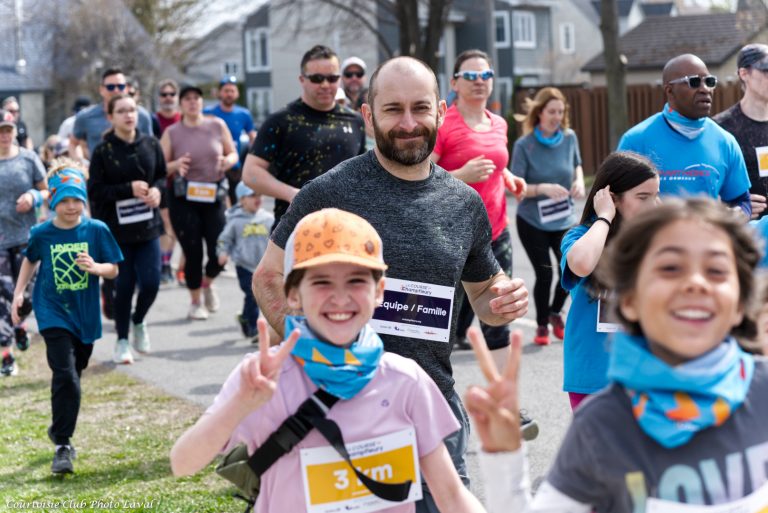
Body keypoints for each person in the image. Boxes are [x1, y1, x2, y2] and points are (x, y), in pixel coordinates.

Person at [253, 56, 530, 513]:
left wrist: (503, 297)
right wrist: (313, 354)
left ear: (441, 111)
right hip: (340, 413)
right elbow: (267, 278)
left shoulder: (464, 204)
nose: (408, 123)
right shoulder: (328, 194)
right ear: (367, 115)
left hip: (431, 408)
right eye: (393, 110)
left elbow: (483, 295)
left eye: (420, 109)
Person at [171, 208, 489, 513]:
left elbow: (450, 494)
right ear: (293, 295)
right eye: (321, 282)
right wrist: (240, 403)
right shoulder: (263, 379)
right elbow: (183, 463)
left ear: (379, 291)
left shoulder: (406, 381)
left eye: (356, 281)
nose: (339, 297)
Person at [464, 197, 768, 512]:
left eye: (716, 270)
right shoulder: (602, 425)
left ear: (741, 302)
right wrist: (504, 457)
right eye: (670, 268)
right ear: (628, 300)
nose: (695, 282)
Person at [11, 161, 122, 474]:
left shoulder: (96, 230)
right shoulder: (42, 232)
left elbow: (113, 268)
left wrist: (96, 267)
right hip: (52, 310)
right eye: (64, 200)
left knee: (75, 373)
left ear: (84, 200)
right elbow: (30, 260)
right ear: (52, 201)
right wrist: (20, 292)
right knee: (65, 376)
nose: (71, 207)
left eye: (77, 200)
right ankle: (63, 444)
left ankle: (59, 426)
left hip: (84, 314)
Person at [432, 49, 526, 358]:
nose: (479, 81)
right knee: (443, 322)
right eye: (470, 76)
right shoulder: (443, 124)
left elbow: (495, 162)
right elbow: (420, 176)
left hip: (497, 233)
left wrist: (508, 177)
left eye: (485, 75)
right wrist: (460, 174)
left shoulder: (498, 123)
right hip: (452, 235)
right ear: (455, 83)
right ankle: (437, 398)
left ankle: (506, 403)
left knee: (501, 313)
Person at [560, 152, 660, 410]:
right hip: (594, 376)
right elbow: (581, 264)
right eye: (643, 197)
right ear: (613, 198)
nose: (655, 204)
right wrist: (604, 217)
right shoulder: (582, 236)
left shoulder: (656, 242)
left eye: (656, 195)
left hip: (646, 375)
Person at [242, 45, 366, 228]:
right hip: (293, 228)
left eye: (332, 78)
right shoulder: (281, 120)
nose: (325, 85)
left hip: (346, 228)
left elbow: (362, 172)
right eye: (317, 78)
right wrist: (292, 194)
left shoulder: (355, 121)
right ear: (302, 79)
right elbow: (251, 173)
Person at [618, 54, 751, 217]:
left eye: (709, 82)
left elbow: (741, 200)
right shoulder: (635, 141)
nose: (705, 89)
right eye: (694, 82)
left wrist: (739, 213)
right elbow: (615, 202)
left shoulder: (725, 141)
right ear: (669, 90)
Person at [88, 94, 166, 365]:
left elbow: (161, 177)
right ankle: (122, 340)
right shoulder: (103, 151)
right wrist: (127, 190)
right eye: (121, 111)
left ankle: (139, 320)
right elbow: (95, 192)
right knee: (123, 286)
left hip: (147, 227)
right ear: (111, 116)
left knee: (152, 283)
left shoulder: (151, 144)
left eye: (132, 110)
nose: (128, 115)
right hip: (117, 232)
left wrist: (156, 191)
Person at [511, 87, 585, 346]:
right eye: (551, 111)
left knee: (570, 267)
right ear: (539, 113)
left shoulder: (569, 138)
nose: (556, 117)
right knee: (544, 274)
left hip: (563, 218)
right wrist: (543, 188)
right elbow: (516, 187)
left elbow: (577, 164)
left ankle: (555, 313)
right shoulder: (525, 145)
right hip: (532, 220)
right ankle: (542, 325)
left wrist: (579, 182)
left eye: (560, 112)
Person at [160, 84, 238, 320]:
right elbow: (159, 167)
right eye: (188, 99)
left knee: (219, 250)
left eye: (196, 98)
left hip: (213, 195)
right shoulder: (172, 132)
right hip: (184, 198)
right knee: (192, 251)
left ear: (202, 102)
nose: (193, 102)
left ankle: (207, 283)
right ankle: (195, 302)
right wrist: (175, 165)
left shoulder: (216, 125)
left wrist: (228, 160)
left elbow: (233, 153)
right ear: (181, 104)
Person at [0, 109, 48, 377]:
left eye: (8, 129)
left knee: (27, 295)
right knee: (2, 298)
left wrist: (33, 196)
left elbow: (46, 189)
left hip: (27, 237)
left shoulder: (28, 159)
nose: (4, 135)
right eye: (0, 130)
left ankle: (20, 325)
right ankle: (6, 355)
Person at [714, 44, 768, 220]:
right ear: (744, 74)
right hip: (745, 235)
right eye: (766, 71)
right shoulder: (721, 128)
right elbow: (708, 183)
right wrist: (737, 208)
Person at [216, 182, 273, 341]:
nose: (258, 199)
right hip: (244, 266)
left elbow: (277, 239)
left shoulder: (268, 218)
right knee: (253, 294)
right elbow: (224, 239)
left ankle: (245, 318)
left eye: (259, 195)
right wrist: (222, 252)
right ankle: (254, 328)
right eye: (252, 195)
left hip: (263, 265)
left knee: (257, 296)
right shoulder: (235, 220)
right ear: (241, 200)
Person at [71, 68, 154, 160]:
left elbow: (150, 146)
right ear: (101, 90)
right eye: (110, 87)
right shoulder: (86, 116)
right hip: (98, 171)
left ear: (127, 88)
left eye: (120, 86)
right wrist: (81, 164)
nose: (116, 90)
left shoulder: (141, 115)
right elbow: (73, 144)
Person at [205, 75, 256, 205]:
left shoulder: (244, 114)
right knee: (215, 204)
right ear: (220, 93)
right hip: (212, 166)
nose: (229, 94)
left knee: (236, 204)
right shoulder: (208, 113)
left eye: (232, 91)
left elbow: (253, 138)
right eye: (226, 91)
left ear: (237, 93)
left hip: (234, 166)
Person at [151, 79, 183, 285]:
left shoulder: (183, 119)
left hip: (184, 181)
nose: (168, 98)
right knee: (166, 223)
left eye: (172, 94)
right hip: (161, 180)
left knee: (180, 226)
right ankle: (164, 264)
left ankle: (175, 266)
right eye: (164, 94)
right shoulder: (153, 121)